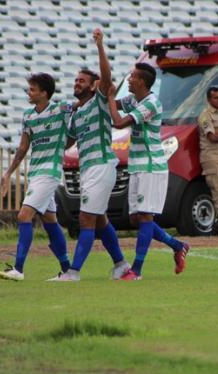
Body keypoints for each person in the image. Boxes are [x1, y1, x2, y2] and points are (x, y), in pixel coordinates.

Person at [48, 28, 129, 282]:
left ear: (93, 86)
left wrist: (100, 46)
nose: (76, 84)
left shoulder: (100, 101)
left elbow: (106, 76)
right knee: (100, 220)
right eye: (75, 81)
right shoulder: (78, 113)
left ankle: (73, 272)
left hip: (102, 166)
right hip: (89, 169)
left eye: (81, 81)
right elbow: (67, 141)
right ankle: (121, 264)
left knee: (86, 218)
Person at [107, 63, 190, 281]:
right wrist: (103, 94)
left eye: (132, 77)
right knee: (136, 218)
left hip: (151, 166)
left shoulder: (151, 103)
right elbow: (112, 105)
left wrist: (107, 97)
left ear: (141, 81)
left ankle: (136, 270)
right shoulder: (133, 99)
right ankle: (177, 245)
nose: (129, 80)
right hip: (137, 165)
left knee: (145, 216)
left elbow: (118, 122)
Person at [0, 73, 73, 281]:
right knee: (50, 220)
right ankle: (67, 269)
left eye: (32, 89)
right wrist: (8, 172)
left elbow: (81, 108)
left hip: (49, 172)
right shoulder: (28, 115)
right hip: (36, 172)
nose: (28, 92)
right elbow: (23, 147)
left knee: (24, 216)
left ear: (44, 93)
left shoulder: (61, 109)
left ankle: (18, 269)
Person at [198, 86, 218, 235]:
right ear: (209, 99)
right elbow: (212, 137)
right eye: (215, 98)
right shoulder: (205, 116)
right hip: (211, 157)